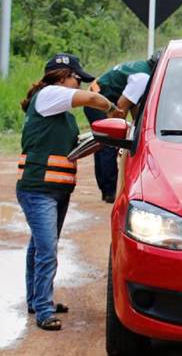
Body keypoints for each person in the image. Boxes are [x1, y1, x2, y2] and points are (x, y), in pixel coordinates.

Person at [17, 53, 116, 331]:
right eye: (76, 79)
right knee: (47, 249)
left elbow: (71, 150)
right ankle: (44, 310)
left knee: (39, 246)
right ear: (62, 77)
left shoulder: (62, 115)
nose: (78, 85)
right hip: (38, 189)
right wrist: (112, 108)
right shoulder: (49, 95)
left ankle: (37, 300)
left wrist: (99, 142)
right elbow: (95, 100)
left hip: (56, 189)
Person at [84, 52, 159, 203]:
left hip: (98, 100)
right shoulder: (142, 78)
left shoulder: (140, 66)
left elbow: (133, 104)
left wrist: (137, 126)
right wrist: (120, 131)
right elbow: (122, 105)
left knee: (102, 145)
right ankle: (110, 191)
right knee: (109, 144)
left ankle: (106, 189)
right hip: (99, 103)